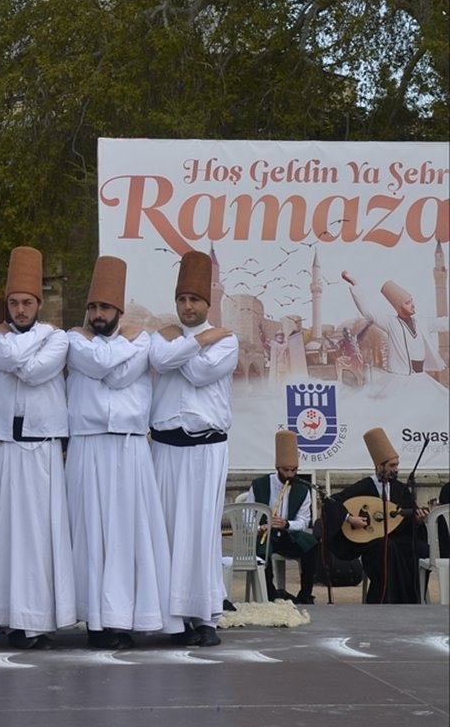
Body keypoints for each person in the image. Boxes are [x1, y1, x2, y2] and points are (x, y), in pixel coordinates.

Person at [66, 255, 180, 650]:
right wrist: (124, 347)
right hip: (88, 445)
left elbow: (117, 372)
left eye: (106, 308)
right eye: (93, 308)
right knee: (92, 533)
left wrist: (127, 346)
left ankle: (126, 618)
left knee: (128, 535)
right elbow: (104, 367)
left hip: (131, 447)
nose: (98, 315)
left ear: (119, 310)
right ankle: (96, 621)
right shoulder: (73, 339)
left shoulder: (144, 339)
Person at [0, 246, 75, 651]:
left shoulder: (59, 338)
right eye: (14, 304)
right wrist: (18, 348)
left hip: (42, 449)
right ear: (8, 304)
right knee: (1, 535)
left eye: (27, 303)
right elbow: (0, 355)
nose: (20, 310)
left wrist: (17, 350)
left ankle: (36, 621)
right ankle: (2, 616)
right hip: (2, 444)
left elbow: (34, 371)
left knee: (38, 537)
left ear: (38, 303)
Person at [149, 249, 239, 647]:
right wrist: (198, 340)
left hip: (206, 446)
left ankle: (205, 617)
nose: (187, 306)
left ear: (207, 303)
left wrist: (185, 344)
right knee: (166, 530)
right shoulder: (164, 336)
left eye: (195, 301)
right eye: (182, 300)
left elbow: (200, 372)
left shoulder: (228, 340)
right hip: (165, 447)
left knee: (201, 532)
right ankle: (172, 618)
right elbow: (160, 360)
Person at [323, 426, 429, 604]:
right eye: (392, 466)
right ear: (379, 466)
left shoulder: (399, 489)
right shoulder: (363, 487)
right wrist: (350, 518)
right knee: (387, 548)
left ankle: (414, 600)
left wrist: (417, 520)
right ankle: (382, 601)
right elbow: (331, 502)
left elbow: (407, 516)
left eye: (397, 465)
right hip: (372, 543)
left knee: (421, 549)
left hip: (396, 538)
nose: (396, 470)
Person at [244, 429, 318, 604]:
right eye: (286, 470)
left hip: (287, 535)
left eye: (294, 470)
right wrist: (257, 527)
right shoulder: (259, 485)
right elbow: (246, 514)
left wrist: (286, 524)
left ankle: (305, 595)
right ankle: (269, 594)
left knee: (312, 546)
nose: (290, 474)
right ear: (278, 468)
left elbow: (303, 521)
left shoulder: (302, 490)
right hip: (264, 535)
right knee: (262, 553)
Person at [341, 271, 444, 376]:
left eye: (411, 301)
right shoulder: (391, 323)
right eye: (408, 303)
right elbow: (367, 311)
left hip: (420, 376)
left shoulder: (421, 322)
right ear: (399, 307)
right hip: (400, 376)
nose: (413, 305)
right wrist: (355, 285)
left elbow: (442, 323)